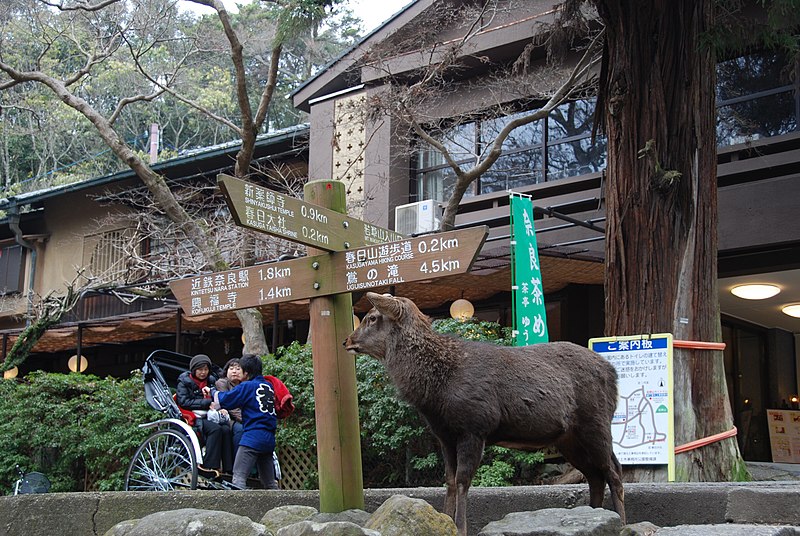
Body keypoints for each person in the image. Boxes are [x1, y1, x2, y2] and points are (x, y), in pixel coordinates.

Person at [211, 354, 279, 490]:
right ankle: (281, 509)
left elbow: (226, 399)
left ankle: (238, 511)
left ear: (246, 373)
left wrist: (212, 392)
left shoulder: (248, 386)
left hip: (253, 437)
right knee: (270, 483)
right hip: (269, 438)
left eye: (240, 369)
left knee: (238, 478)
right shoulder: (268, 386)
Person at [175, 353, 232, 473]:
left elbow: (216, 398)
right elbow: (184, 402)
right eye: (200, 369)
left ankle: (228, 468)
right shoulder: (184, 381)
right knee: (215, 429)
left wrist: (220, 407)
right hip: (193, 415)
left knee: (226, 429)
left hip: (210, 413)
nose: (203, 372)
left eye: (206, 369)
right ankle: (210, 465)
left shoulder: (211, 380)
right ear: (194, 370)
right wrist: (206, 402)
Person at [215, 358, 244, 457]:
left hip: (245, 416)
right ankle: (237, 463)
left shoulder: (246, 384)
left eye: (238, 369)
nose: (234, 371)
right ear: (226, 371)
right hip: (228, 417)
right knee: (241, 429)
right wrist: (245, 419)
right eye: (231, 369)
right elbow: (230, 405)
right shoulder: (222, 383)